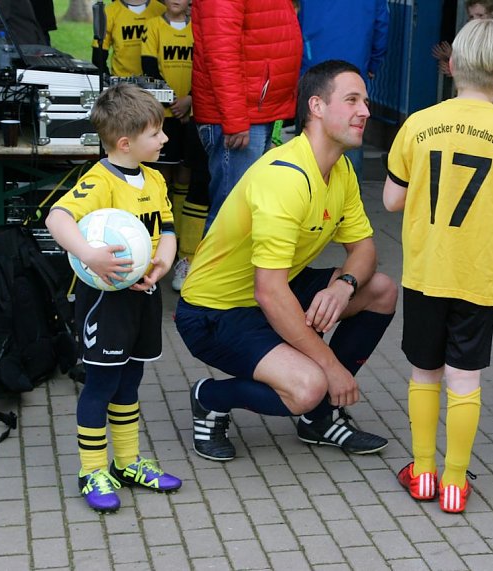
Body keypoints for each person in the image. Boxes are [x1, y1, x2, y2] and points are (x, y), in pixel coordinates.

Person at [175, 60, 398, 463]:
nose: (365, 111)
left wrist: (343, 285)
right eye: (352, 100)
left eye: (364, 101)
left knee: (379, 290)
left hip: (272, 291)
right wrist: (329, 366)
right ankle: (210, 399)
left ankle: (318, 418)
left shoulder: (340, 169)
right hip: (216, 311)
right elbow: (270, 292)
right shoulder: (286, 178)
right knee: (309, 385)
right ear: (316, 106)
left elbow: (365, 250)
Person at [384, 18, 493, 513]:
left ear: (451, 65)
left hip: (427, 273)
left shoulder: (417, 123)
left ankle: (424, 470)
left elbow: (391, 199)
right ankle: (456, 481)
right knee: (465, 379)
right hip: (476, 277)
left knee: (424, 373)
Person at [46, 83, 182, 512]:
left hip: (144, 296)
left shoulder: (156, 179)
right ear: (126, 142)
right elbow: (57, 217)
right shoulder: (100, 181)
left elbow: (169, 231)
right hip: (107, 299)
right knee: (102, 382)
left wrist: (161, 262)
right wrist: (88, 254)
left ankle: (127, 463)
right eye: (156, 133)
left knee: (131, 380)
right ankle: (92, 470)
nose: (164, 139)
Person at [191, 0, 302, 233]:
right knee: (230, 216)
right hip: (241, 118)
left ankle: (233, 270)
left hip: (256, 112)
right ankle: (211, 270)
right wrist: (235, 120)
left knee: (244, 213)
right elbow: (222, 53)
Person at [141, 0, 207, 290]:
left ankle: (182, 246)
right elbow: (148, 66)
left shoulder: (199, 28)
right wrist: (170, 100)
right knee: (162, 178)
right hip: (165, 114)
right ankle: (158, 244)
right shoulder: (154, 26)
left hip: (193, 112)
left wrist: (190, 99)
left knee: (187, 175)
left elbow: (206, 65)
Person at [298, 0, 389, 180]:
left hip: (313, 70)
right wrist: (373, 64)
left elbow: (293, 20)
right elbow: (381, 26)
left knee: (308, 149)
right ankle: (348, 201)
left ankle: (305, 197)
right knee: (350, 142)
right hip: (354, 69)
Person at [93, 0, 166, 78]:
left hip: (157, 81)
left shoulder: (161, 10)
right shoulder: (110, 11)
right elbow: (98, 55)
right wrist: (108, 80)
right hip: (122, 81)